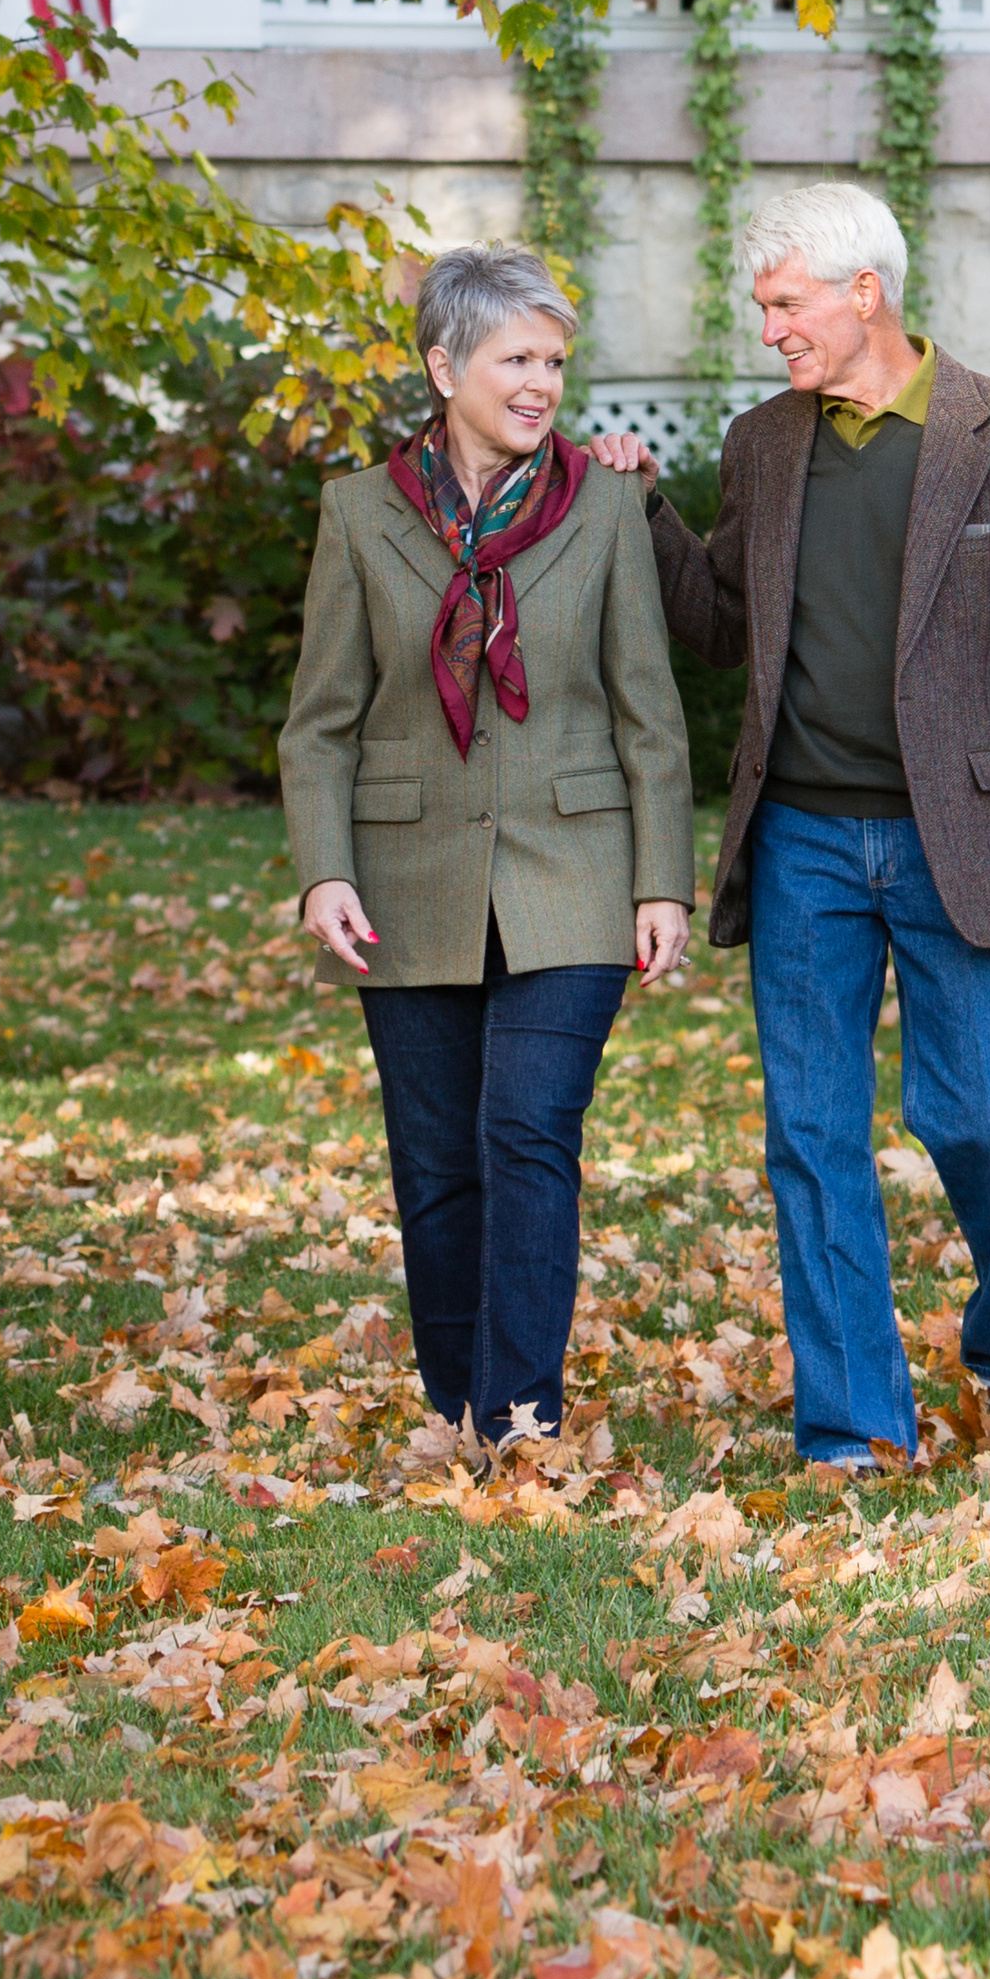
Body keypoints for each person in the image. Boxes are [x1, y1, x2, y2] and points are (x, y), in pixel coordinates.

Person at [616, 176, 990, 1471]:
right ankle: (854, 1430)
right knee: (813, 1133)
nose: (771, 328)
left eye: (786, 303)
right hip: (800, 841)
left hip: (970, 835)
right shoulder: (763, 443)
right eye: (764, 307)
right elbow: (728, 621)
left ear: (864, 291)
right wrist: (641, 510)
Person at [281, 245, 693, 1454]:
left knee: (524, 1128)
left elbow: (648, 712)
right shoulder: (357, 512)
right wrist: (324, 867)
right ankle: (453, 1406)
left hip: (576, 870)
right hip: (404, 879)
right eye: (515, 359)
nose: (539, 385)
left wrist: (660, 878)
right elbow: (320, 722)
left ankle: (521, 1418)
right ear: (442, 363)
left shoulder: (608, 501)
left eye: (554, 362)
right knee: (436, 1162)